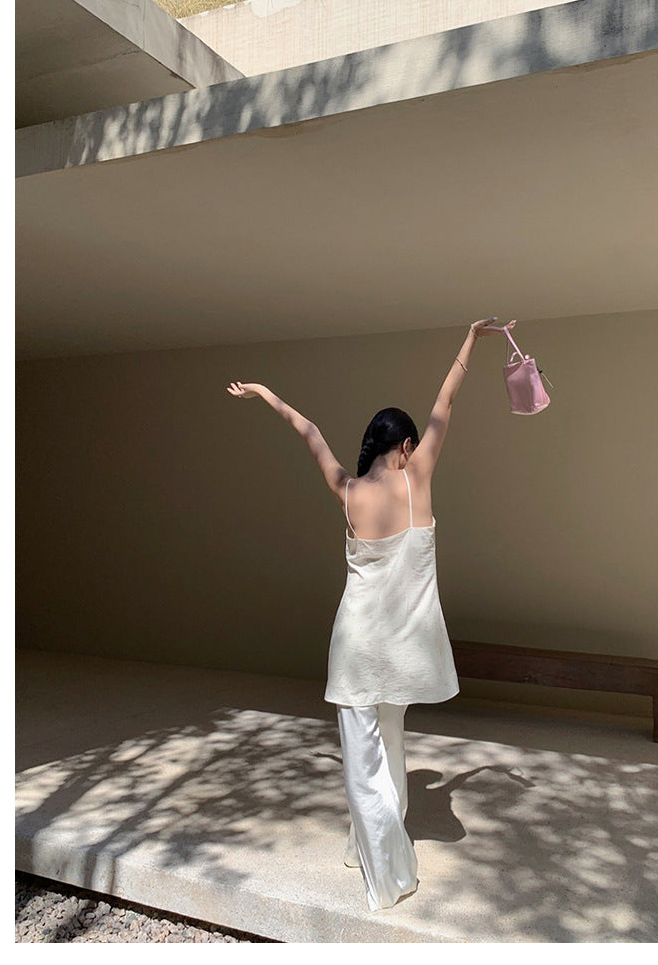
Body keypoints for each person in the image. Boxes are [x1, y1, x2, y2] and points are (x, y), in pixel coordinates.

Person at [226, 316, 514, 910]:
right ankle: (372, 849)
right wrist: (471, 338)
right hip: (405, 650)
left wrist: (265, 394)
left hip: (357, 647)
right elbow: (444, 403)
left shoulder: (349, 489)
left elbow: (309, 431)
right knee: (393, 748)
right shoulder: (418, 479)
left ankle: (385, 871)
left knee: (364, 764)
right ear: (405, 447)